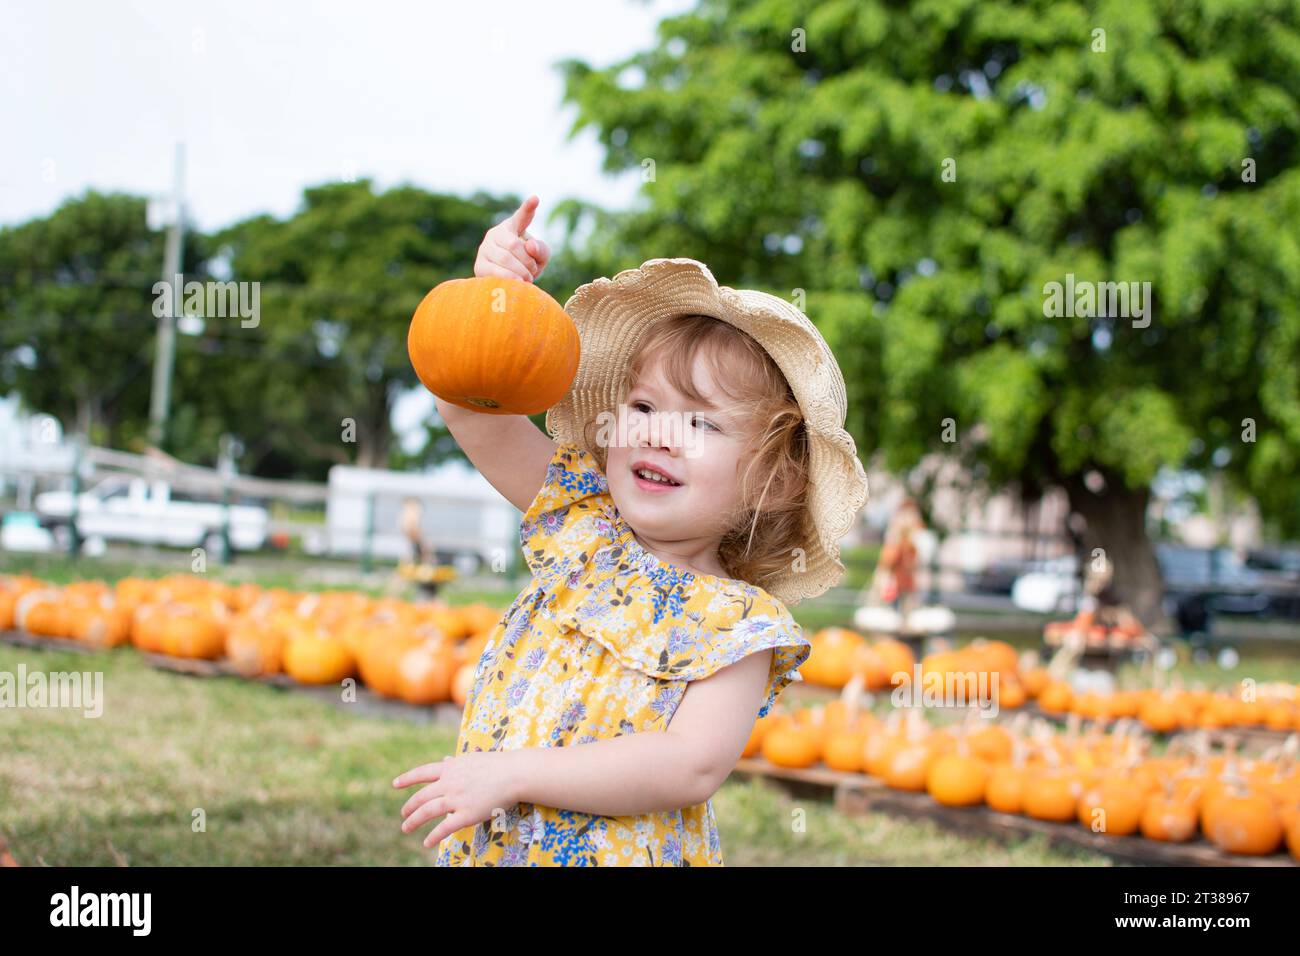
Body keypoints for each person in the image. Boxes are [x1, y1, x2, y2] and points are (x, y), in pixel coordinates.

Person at [393, 195, 869, 866]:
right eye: (644, 406)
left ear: (774, 480)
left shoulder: (739, 626)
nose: (658, 433)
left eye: (701, 423)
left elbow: (688, 765)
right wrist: (492, 299)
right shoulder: (584, 528)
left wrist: (515, 774)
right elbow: (471, 407)